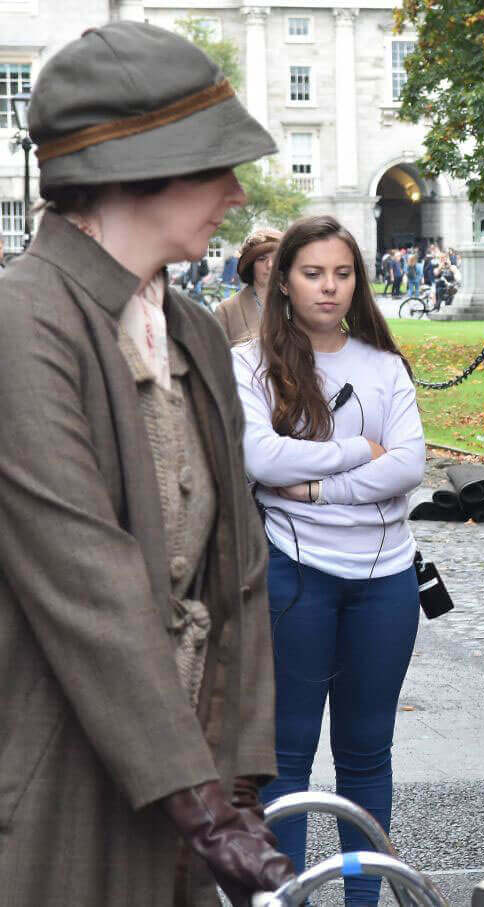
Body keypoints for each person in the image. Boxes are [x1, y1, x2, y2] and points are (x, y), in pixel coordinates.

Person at [0, 22, 294, 906]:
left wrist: (238, 787)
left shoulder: (196, 330)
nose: (238, 193)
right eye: (215, 168)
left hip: (188, 787)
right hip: (62, 783)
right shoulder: (22, 323)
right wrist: (206, 810)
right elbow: (87, 582)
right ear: (133, 169)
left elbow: (238, 570)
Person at [233, 215, 424, 907]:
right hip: (293, 573)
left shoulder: (383, 365)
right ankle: (287, 898)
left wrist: (315, 486)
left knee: (367, 754)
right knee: (285, 756)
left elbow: (408, 464)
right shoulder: (247, 363)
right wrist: (355, 452)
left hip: (386, 583)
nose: (330, 287)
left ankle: (360, 899)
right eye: (313, 272)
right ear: (283, 279)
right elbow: (262, 458)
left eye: (342, 273)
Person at [214, 227, 281, 346]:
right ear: (250, 265)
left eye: (276, 258)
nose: (270, 265)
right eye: (261, 259)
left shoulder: (299, 303)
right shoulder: (227, 310)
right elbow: (217, 360)